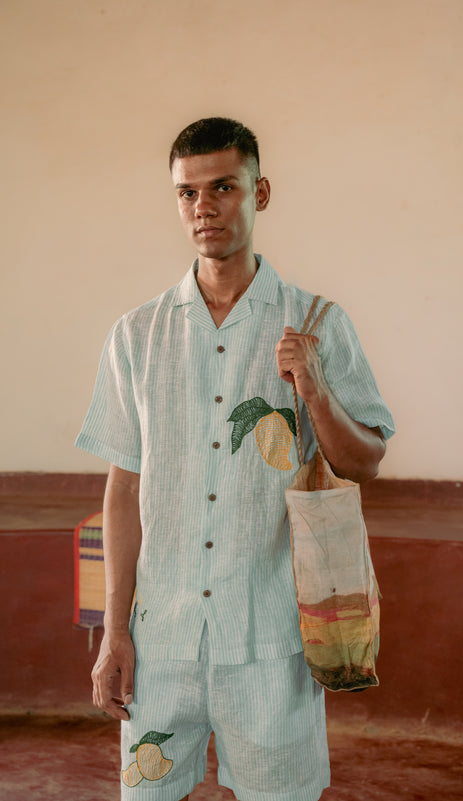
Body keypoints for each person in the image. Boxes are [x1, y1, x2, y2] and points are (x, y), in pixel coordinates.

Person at [76, 117, 395, 801]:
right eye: (187, 193)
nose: (204, 207)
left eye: (222, 186)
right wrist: (113, 632)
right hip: (159, 639)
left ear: (261, 192)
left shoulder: (317, 323)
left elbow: (365, 461)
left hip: (272, 640)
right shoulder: (136, 335)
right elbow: (123, 491)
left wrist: (311, 389)